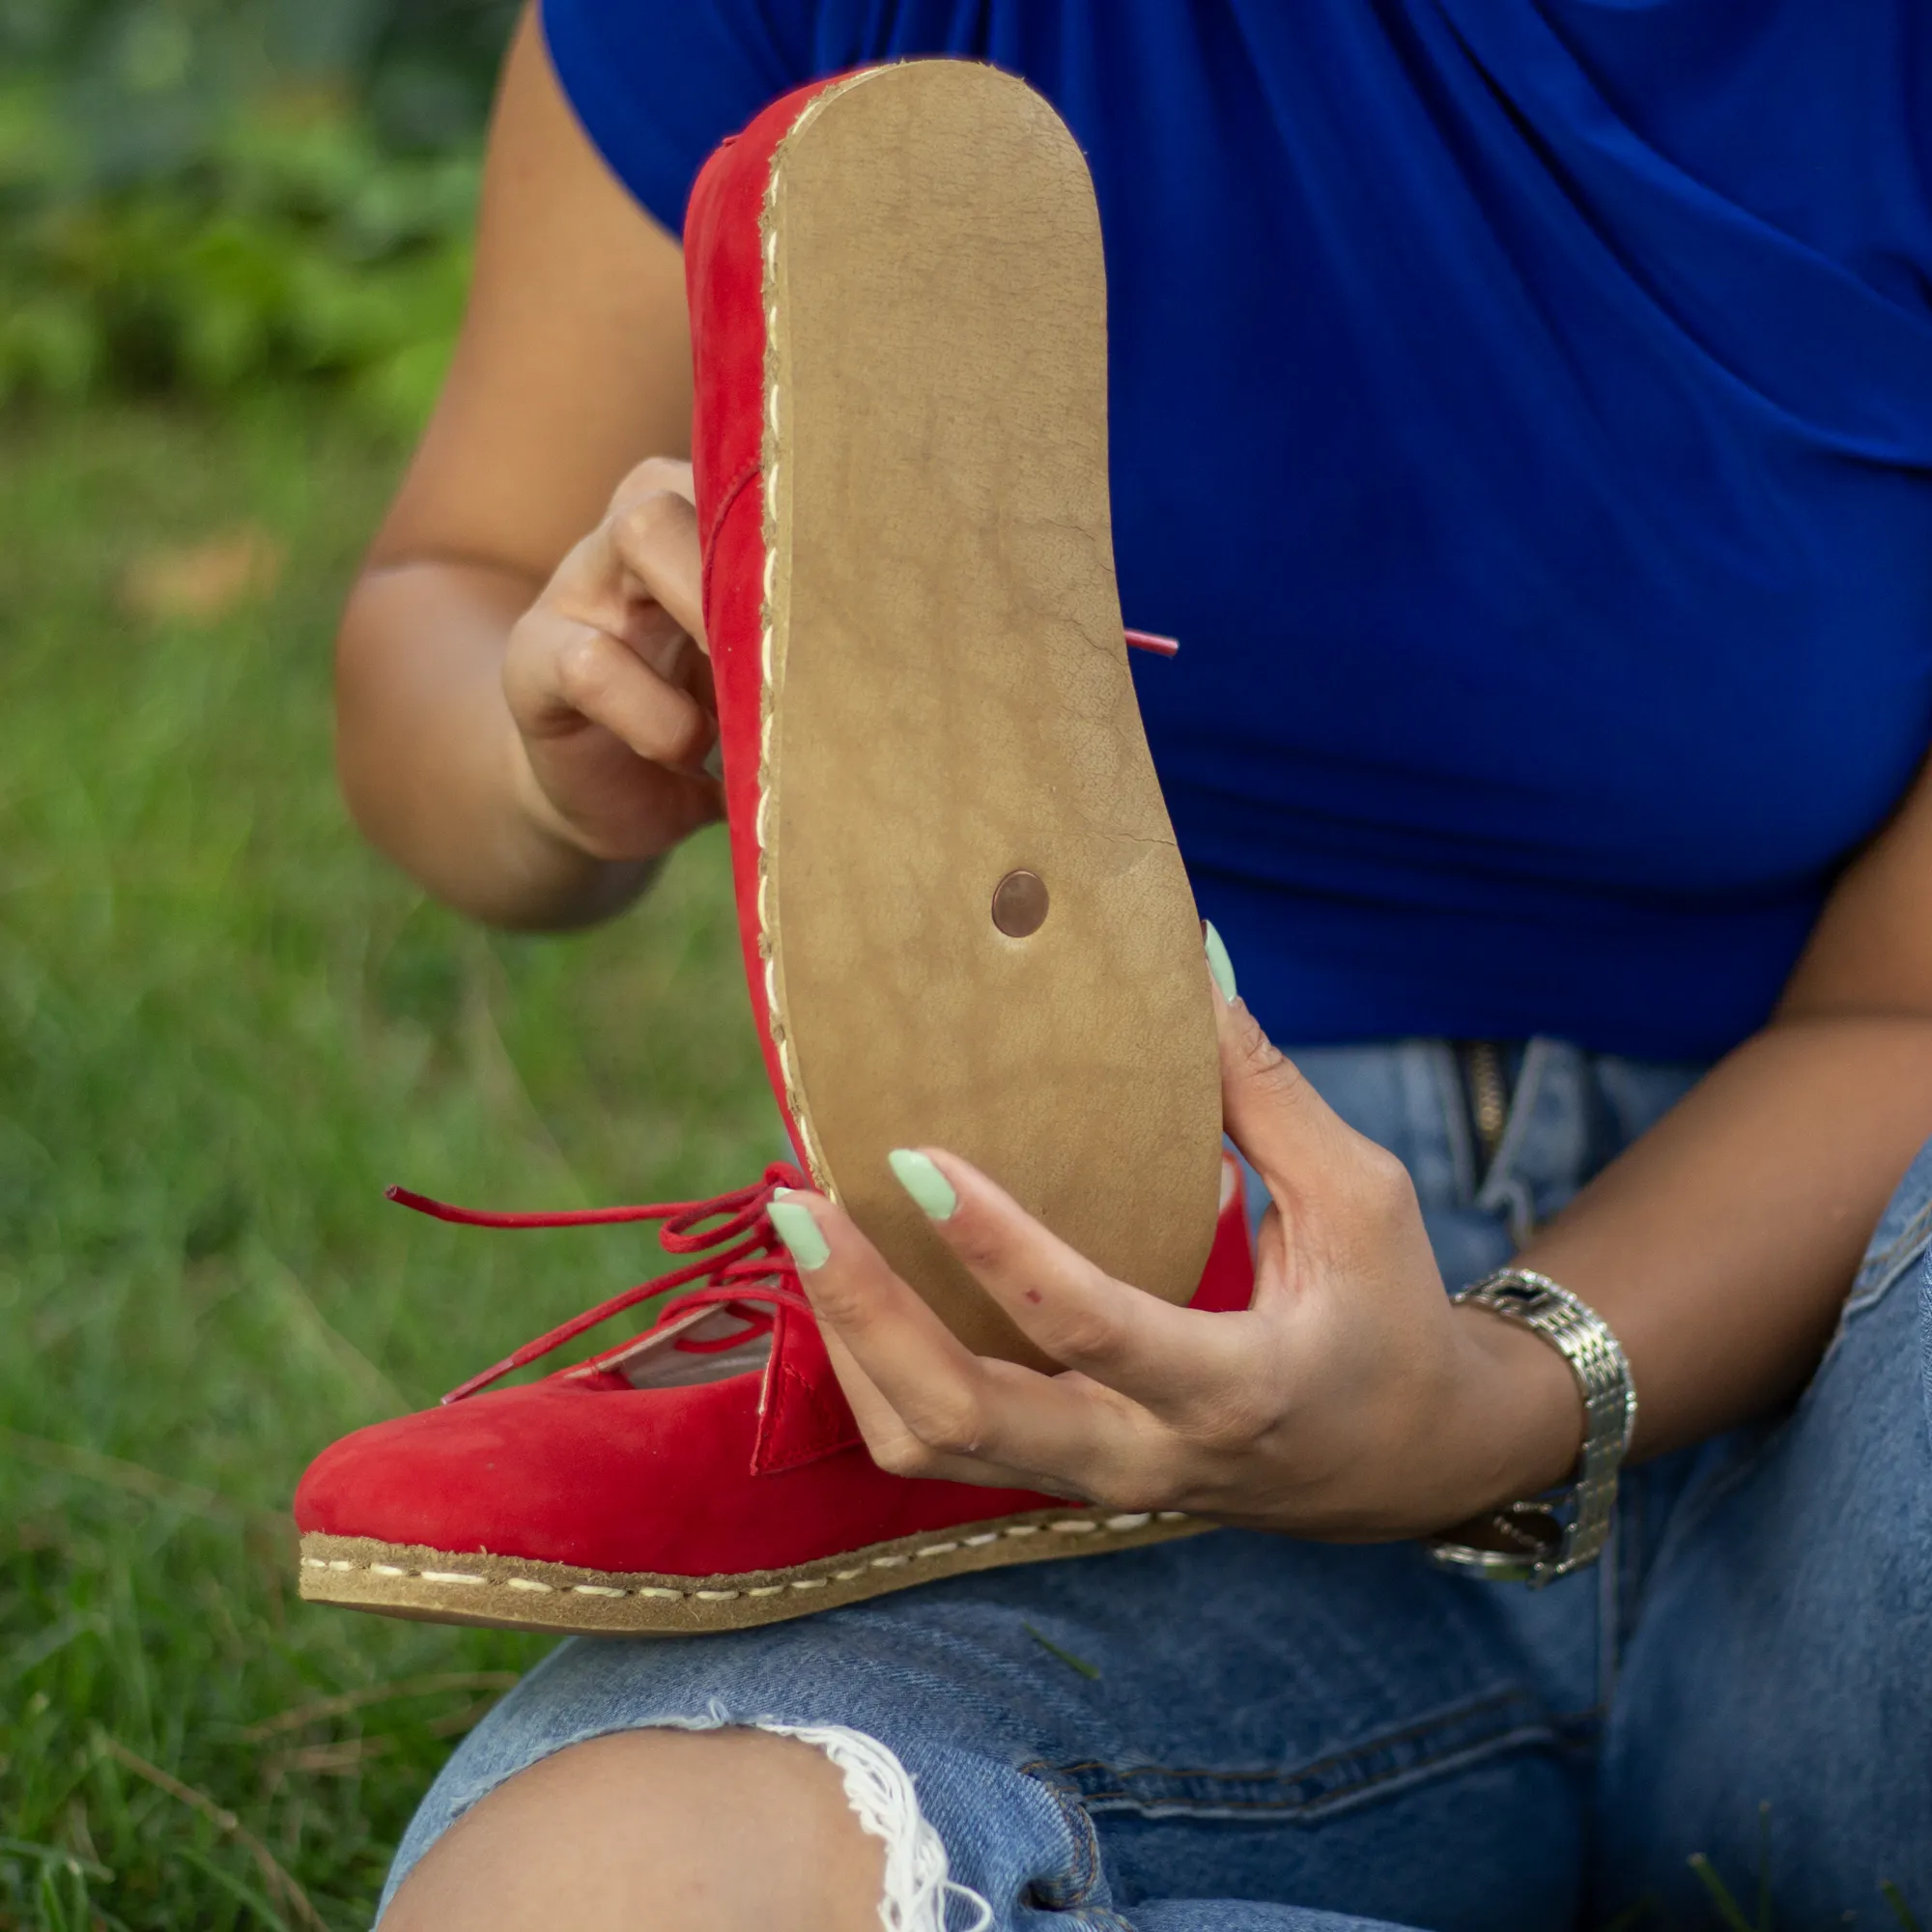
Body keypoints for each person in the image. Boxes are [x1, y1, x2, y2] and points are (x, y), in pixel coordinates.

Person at [334, 6, 1932, 1928]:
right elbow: (457, 580)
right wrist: (556, 753)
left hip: (1848, 1364)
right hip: (1109, 1384)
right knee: (608, 1895)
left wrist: (1495, 1394)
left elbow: (1898, 1014)